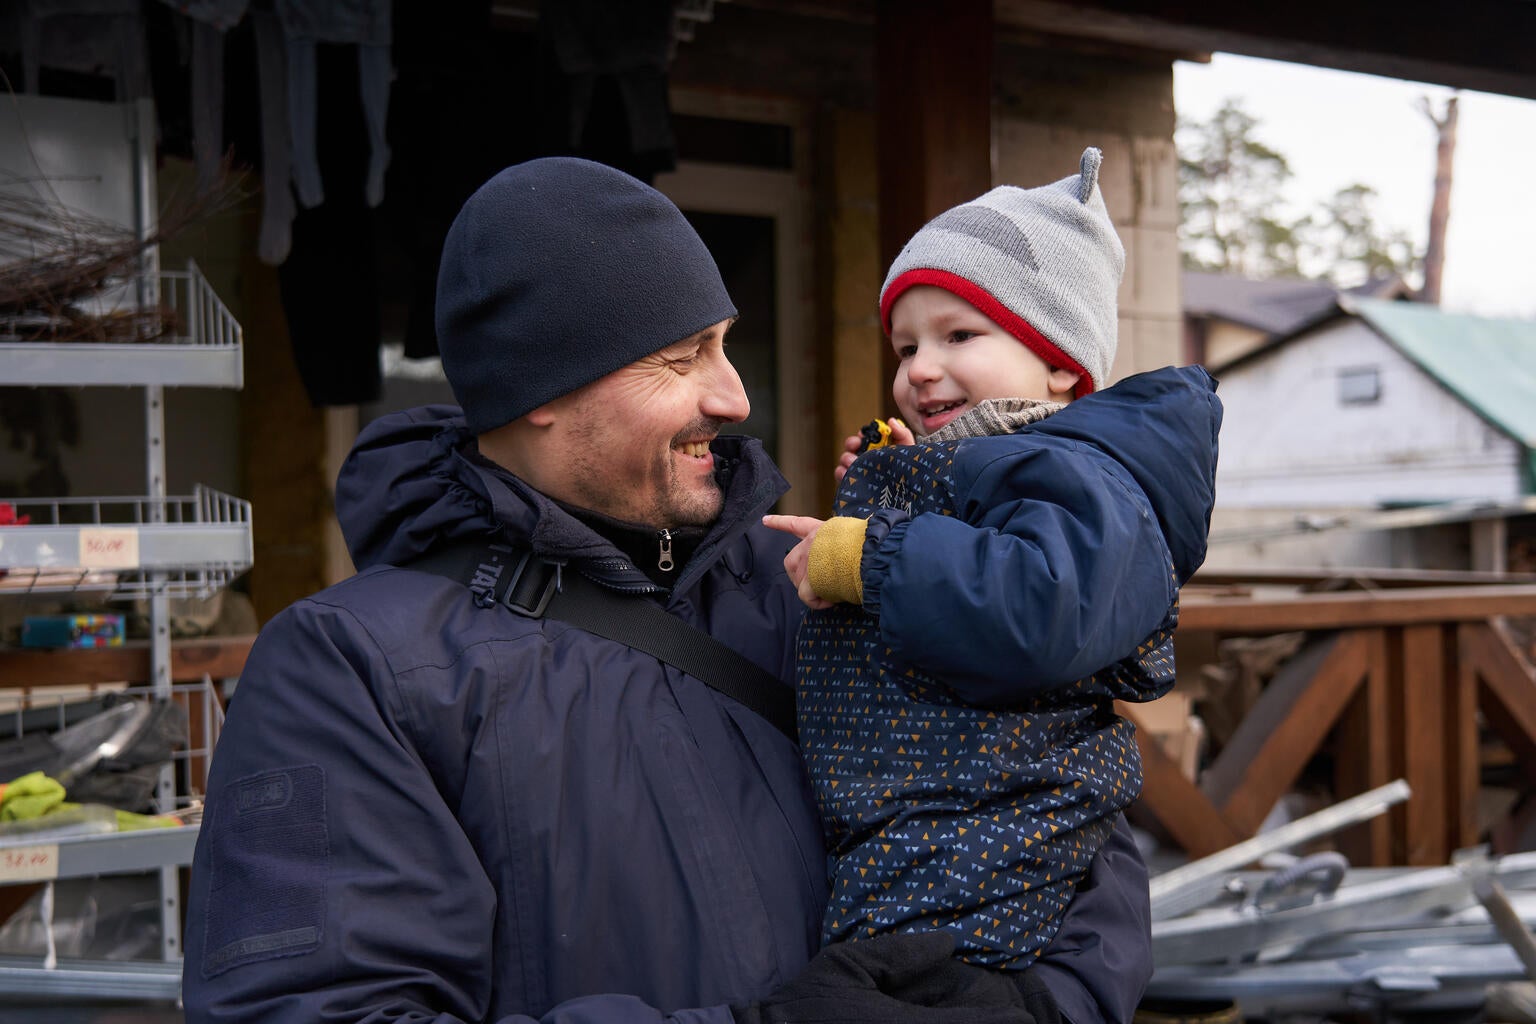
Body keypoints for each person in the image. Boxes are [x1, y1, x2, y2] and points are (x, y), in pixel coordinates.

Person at [182, 155, 1153, 1024]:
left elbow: (1066, 803)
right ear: (540, 392)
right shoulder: (353, 668)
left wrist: (1031, 1002)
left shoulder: (811, 589)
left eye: (726, 346)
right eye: (681, 357)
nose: (733, 398)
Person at [766, 149, 1221, 1001]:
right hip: (913, 827)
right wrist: (900, 490)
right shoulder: (996, 463)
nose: (918, 370)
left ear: (1060, 364)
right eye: (905, 347)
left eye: (958, 336)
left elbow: (1043, 604)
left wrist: (872, 552)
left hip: (991, 843)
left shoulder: (1090, 473)